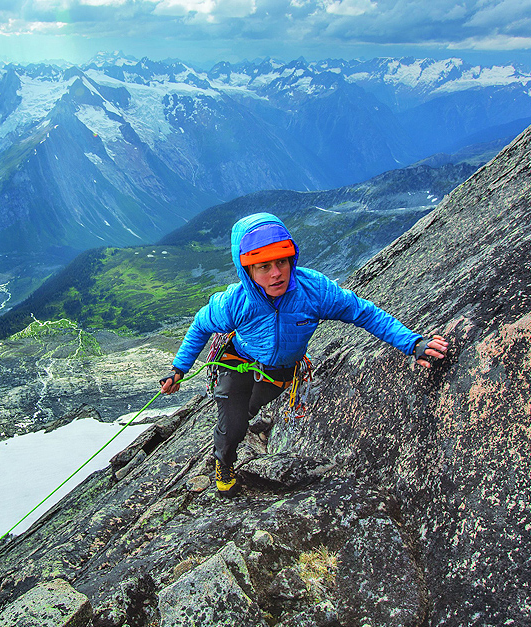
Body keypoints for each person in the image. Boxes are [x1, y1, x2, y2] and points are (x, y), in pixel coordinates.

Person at [160, 212, 449, 497]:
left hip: (279, 371)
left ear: (291, 259)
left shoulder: (313, 292)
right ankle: (224, 462)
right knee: (233, 425)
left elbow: (364, 313)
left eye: (282, 262)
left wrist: (413, 343)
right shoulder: (235, 303)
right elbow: (200, 325)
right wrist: (179, 370)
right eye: (264, 267)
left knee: (249, 410)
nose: (276, 273)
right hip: (237, 363)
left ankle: (238, 420)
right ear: (246, 270)